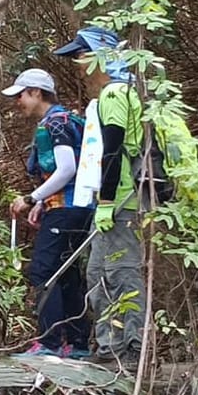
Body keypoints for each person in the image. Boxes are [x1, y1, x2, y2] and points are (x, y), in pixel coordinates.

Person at [55, 25, 146, 362]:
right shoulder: (113, 94)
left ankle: (132, 347)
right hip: (109, 200)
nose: (79, 64)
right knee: (97, 272)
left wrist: (107, 201)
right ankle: (110, 345)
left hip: (122, 198)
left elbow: (114, 150)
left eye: (82, 56)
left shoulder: (115, 94)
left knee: (122, 272)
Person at [4, 68, 92, 358]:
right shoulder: (61, 120)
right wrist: (42, 202)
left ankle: (50, 342)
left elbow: (68, 168)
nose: (18, 102)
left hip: (67, 209)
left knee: (43, 270)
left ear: (36, 93)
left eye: (22, 95)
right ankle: (77, 343)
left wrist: (32, 198)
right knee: (66, 273)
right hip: (72, 207)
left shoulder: (55, 124)